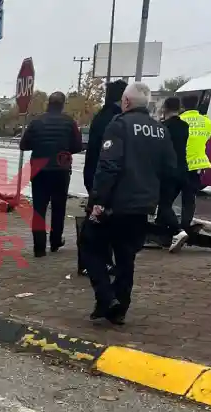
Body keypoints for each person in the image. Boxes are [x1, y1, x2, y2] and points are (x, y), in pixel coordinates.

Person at [82, 82, 176, 325]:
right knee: (126, 257)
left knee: (89, 245)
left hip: (116, 204)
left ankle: (106, 297)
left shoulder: (119, 125)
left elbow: (108, 166)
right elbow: (170, 170)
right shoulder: (160, 130)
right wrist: (160, 202)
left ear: (125, 102)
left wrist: (97, 201)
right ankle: (120, 307)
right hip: (142, 206)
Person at [20, 92, 83, 257]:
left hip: (39, 170)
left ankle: (39, 247)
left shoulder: (36, 122)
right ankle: (55, 241)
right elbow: (77, 146)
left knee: (39, 209)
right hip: (61, 170)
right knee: (59, 206)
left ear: (48, 103)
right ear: (63, 104)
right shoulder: (69, 123)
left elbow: (24, 144)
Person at [81, 79, 127, 275]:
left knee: (96, 219)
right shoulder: (117, 119)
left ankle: (90, 261)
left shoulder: (102, 115)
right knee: (103, 221)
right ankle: (99, 262)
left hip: (94, 173)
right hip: (106, 177)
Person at [170, 94, 211, 250]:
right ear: (197, 104)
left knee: (170, 198)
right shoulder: (206, 121)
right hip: (196, 165)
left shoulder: (180, 120)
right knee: (189, 199)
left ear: (182, 105)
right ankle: (185, 226)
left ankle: (175, 229)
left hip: (180, 164)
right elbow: (207, 138)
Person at [154, 97, 191, 252]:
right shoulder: (184, 126)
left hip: (169, 171)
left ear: (165, 108)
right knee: (166, 204)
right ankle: (162, 236)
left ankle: (178, 231)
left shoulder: (163, 127)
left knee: (163, 203)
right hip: (183, 169)